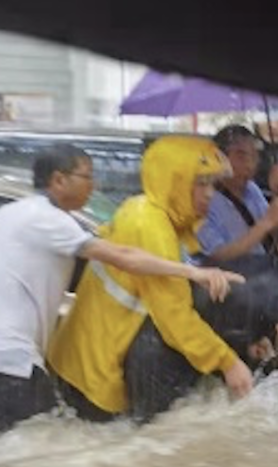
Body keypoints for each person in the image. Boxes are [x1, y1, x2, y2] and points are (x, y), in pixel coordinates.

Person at [0, 144, 242, 435]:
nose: (93, 184)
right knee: (38, 457)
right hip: (11, 363)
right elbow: (125, 257)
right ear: (59, 180)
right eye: (87, 176)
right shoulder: (53, 221)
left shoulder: (9, 213)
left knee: (16, 446)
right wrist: (193, 272)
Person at [47, 136, 255, 423]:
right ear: (175, 181)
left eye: (213, 184)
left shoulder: (142, 208)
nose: (210, 194)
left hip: (74, 364)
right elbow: (175, 319)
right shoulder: (151, 227)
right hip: (92, 378)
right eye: (201, 183)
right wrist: (228, 362)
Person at [123, 217, 278, 423]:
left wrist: (245, 346)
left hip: (148, 351)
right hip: (163, 366)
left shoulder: (251, 264)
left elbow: (219, 315)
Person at [196, 125, 278, 262]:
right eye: (241, 157)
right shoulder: (203, 198)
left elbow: (276, 232)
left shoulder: (252, 189)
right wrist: (266, 223)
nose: (250, 165)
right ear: (219, 157)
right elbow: (216, 255)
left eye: (254, 157)